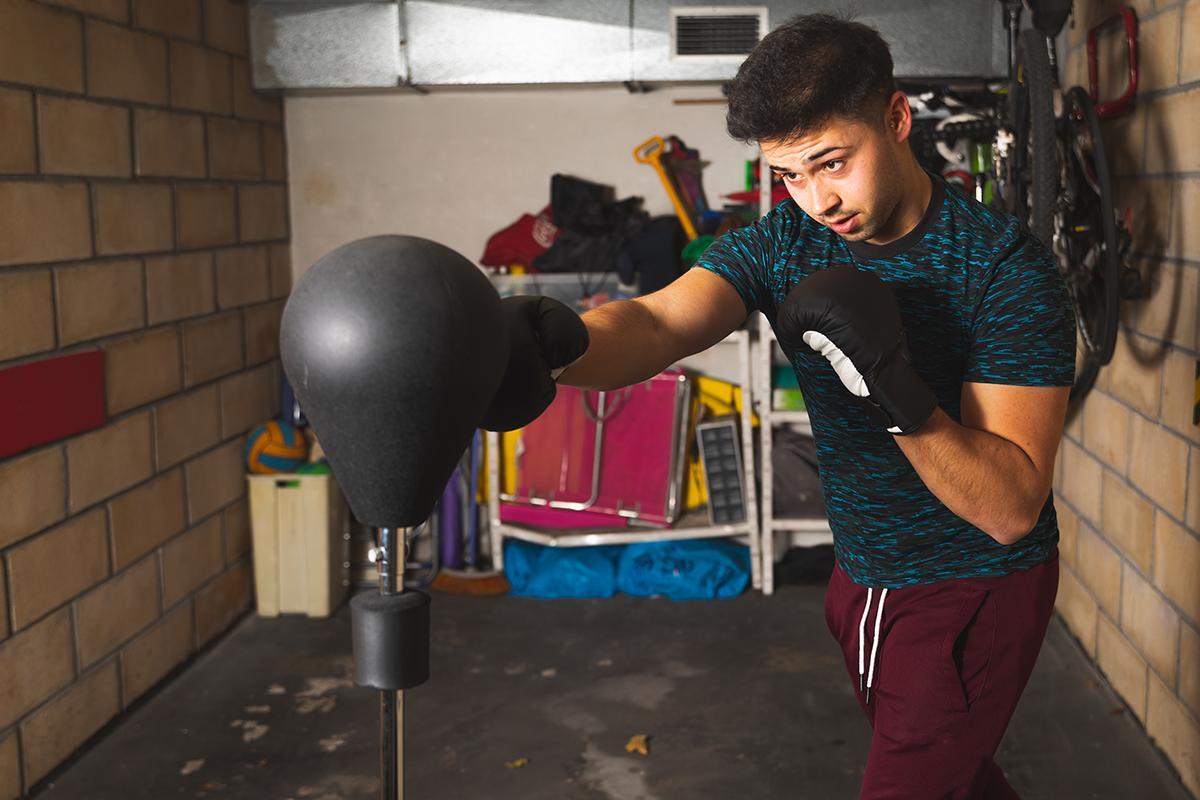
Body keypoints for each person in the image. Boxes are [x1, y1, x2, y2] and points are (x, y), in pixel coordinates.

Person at [483, 13, 1075, 799]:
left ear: (897, 120)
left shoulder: (1005, 272)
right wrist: (560, 346)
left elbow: (1008, 506)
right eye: (789, 174)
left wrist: (892, 390)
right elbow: (661, 320)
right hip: (860, 577)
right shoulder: (787, 240)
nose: (815, 198)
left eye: (832, 162)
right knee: (958, 779)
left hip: (970, 593)